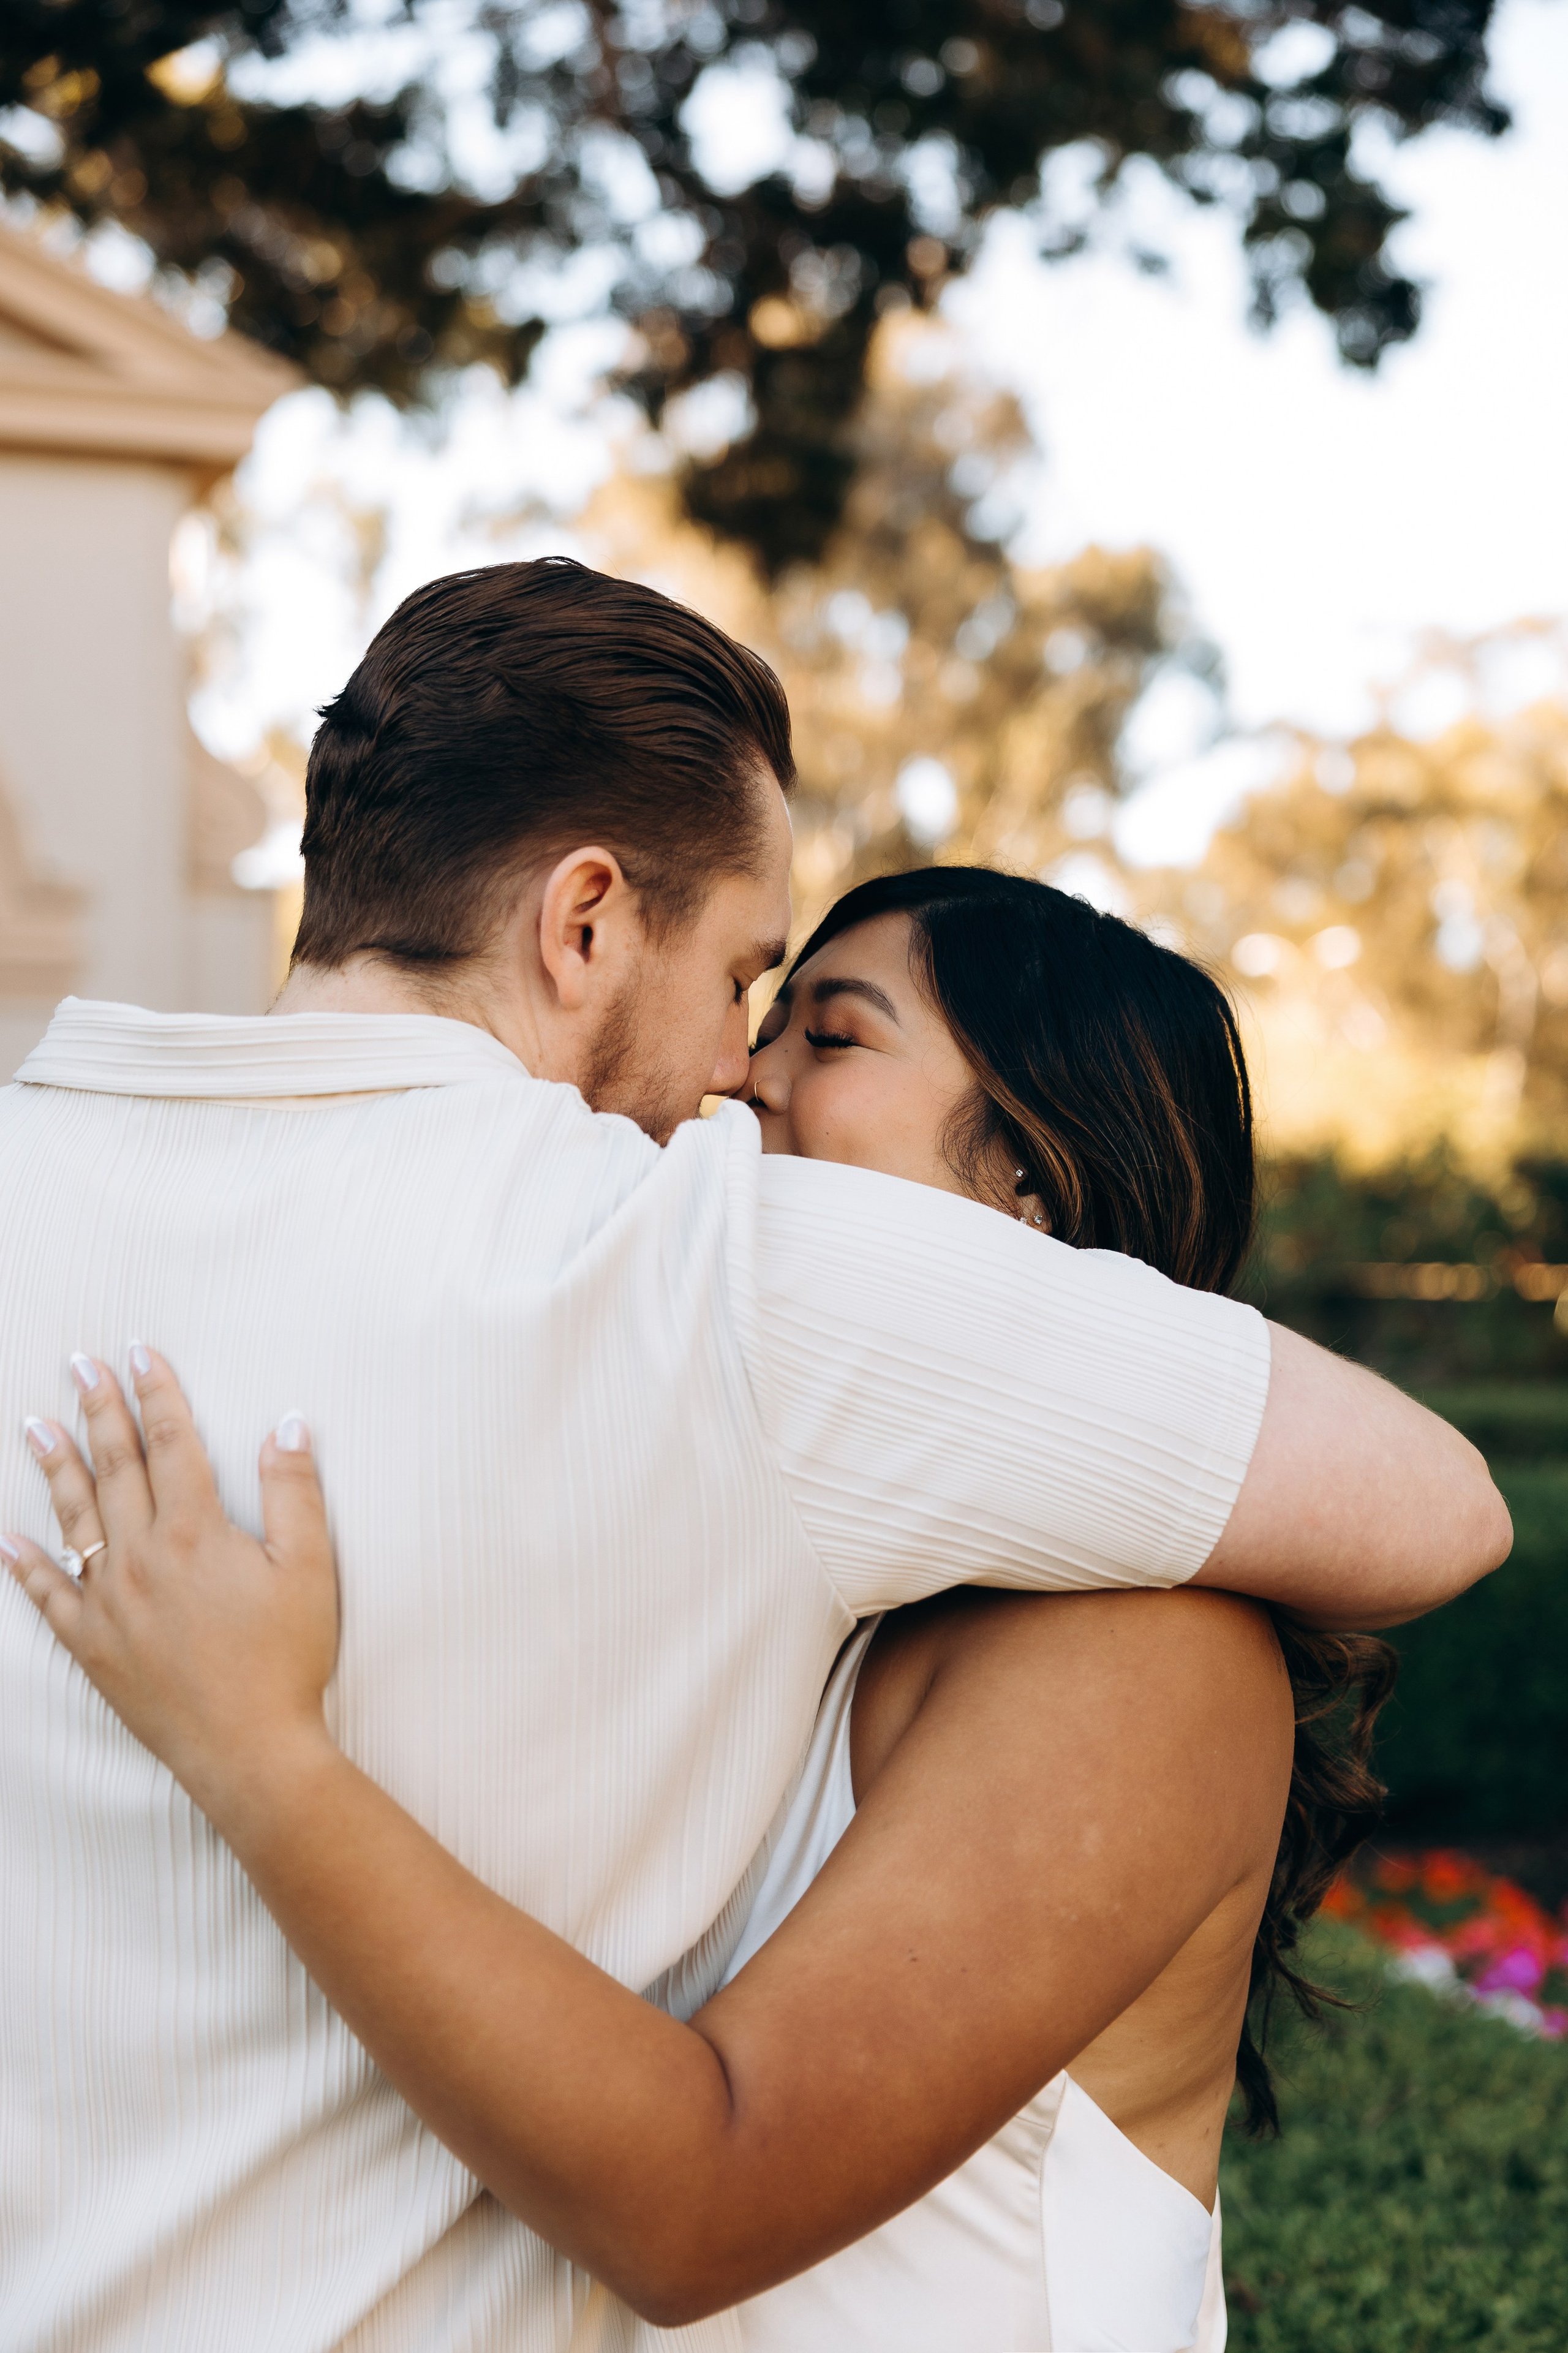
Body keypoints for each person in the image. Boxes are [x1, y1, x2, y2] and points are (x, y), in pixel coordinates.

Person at [0, 561, 1504, 2353]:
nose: (732, 1073)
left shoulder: (1127, 1650)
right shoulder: (727, 1390)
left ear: (1037, 1199)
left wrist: (266, 1757)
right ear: (582, 921)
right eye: (747, 988)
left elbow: (695, 2188)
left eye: (819, 1027)